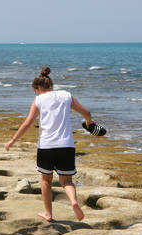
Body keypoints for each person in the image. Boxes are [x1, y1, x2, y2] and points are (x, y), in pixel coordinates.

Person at [5, 67, 95, 222]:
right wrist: (89, 123)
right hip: (66, 145)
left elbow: (27, 123)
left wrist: (13, 140)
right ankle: (73, 201)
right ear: (51, 86)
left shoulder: (38, 100)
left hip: (46, 146)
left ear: (38, 88)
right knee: (66, 181)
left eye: (35, 91)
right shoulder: (66, 96)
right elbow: (86, 112)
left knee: (46, 180)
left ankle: (48, 214)